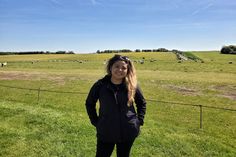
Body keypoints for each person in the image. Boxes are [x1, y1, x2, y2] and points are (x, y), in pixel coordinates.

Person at [85, 54, 146, 157]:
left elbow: (142, 103)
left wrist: (138, 121)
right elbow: (89, 103)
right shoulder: (100, 85)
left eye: (124, 68)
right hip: (106, 131)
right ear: (110, 67)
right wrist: (96, 121)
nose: (120, 70)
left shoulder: (132, 85)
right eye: (117, 66)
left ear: (127, 70)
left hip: (128, 130)